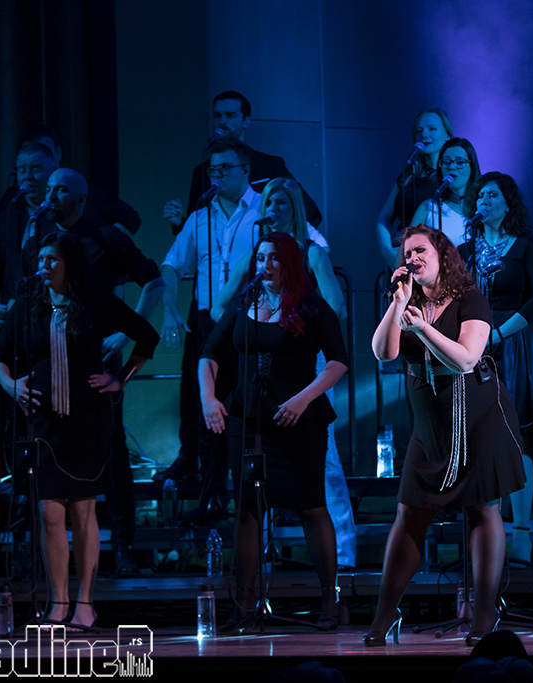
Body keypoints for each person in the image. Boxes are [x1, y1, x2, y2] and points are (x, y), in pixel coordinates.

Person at [0, 232, 159, 630]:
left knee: (83, 509)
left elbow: (146, 336)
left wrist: (120, 379)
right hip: (43, 422)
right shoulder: (27, 305)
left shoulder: (95, 301)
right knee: (49, 511)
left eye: (52, 260)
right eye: (40, 260)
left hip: (87, 420)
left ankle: (85, 603)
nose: (43, 267)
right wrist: (12, 386)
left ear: (70, 264)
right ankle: (59, 602)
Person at [368, 225, 525, 646]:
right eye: (407, 254)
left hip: (478, 414)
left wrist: (423, 329)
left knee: (483, 508)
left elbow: (467, 359)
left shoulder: (470, 299)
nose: (412, 259)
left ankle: (485, 613)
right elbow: (383, 353)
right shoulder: (407, 300)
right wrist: (397, 304)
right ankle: (384, 615)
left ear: (442, 256)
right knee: (410, 512)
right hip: (431, 421)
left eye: (421, 251)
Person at [200, 232, 347, 632]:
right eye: (261, 257)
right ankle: (244, 605)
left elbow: (338, 361)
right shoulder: (243, 304)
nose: (265, 265)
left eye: (274, 258)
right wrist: (209, 398)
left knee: (311, 506)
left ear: (290, 264)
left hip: (299, 422)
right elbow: (209, 354)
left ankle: (329, 602)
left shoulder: (312, 307)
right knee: (248, 510)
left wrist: (303, 398)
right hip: (247, 421)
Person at [212, 177, 355, 569]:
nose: (273, 209)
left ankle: (343, 557)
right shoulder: (257, 257)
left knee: (324, 465)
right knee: (256, 472)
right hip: (264, 369)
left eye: (281, 203)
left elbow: (336, 306)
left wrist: (301, 326)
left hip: (307, 362)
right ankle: (263, 558)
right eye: (269, 203)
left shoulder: (311, 251)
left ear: (294, 208)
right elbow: (221, 306)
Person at [27, 168, 165, 575]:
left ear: (81, 199)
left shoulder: (107, 237)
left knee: (111, 446)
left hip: (95, 359)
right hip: (52, 361)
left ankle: (122, 545)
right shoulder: (41, 240)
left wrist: (123, 335)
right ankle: (43, 555)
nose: (51, 196)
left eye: (60, 190)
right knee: (48, 448)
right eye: (49, 189)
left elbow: (154, 282)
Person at [157, 136, 265, 521]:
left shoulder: (263, 210)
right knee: (209, 406)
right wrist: (170, 309)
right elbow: (171, 265)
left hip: (251, 319)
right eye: (212, 170)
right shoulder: (199, 218)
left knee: (250, 406)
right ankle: (212, 496)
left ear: (245, 170)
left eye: (225, 169)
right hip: (208, 321)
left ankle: (256, 497)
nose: (216, 177)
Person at [458, 172, 533, 563]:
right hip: (475, 345)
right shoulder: (466, 250)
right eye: (480, 195)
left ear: (507, 204)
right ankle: (488, 530)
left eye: (492, 195)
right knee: (482, 435)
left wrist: (500, 333)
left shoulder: (525, 245)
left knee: (519, 434)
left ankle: (521, 533)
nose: (483, 201)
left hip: (514, 342)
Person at [162, 90, 322, 235]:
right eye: (217, 116)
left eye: (230, 115)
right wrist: (180, 223)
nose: (222, 121)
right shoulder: (203, 171)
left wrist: (277, 241)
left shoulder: (270, 165)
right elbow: (197, 229)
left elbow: (309, 211)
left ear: (246, 121)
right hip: (221, 254)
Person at [0, 125, 142, 235]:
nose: (36, 157)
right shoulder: (14, 198)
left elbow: (129, 216)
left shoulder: (80, 189)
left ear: (58, 153)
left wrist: (111, 242)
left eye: (45, 151)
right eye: (29, 151)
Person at [0, 143, 60, 328]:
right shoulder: (8, 216)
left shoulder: (61, 218)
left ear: (53, 172)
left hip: (48, 323)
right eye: (22, 170)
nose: (27, 176)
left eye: (35, 169)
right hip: (10, 324)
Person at [375, 108, 453, 266]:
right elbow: (383, 219)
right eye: (419, 130)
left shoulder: (451, 178)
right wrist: (387, 250)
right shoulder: (408, 176)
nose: (424, 135)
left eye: (432, 129)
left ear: (447, 135)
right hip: (401, 257)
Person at [411, 137, 481, 247]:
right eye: (446, 162)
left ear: (472, 167)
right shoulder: (429, 208)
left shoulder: (482, 206)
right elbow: (408, 250)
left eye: (460, 162)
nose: (452, 167)